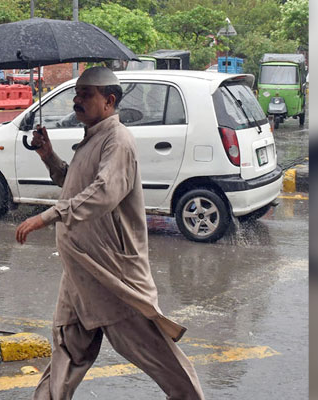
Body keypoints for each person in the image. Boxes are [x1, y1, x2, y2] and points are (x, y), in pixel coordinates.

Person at [15, 67, 205, 400]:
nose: (77, 100)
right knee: (67, 350)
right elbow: (74, 182)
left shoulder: (118, 141)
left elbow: (103, 193)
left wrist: (48, 216)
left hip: (110, 272)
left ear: (109, 100)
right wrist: (47, 155)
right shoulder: (92, 137)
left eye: (86, 94)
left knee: (157, 355)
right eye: (76, 93)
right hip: (79, 269)